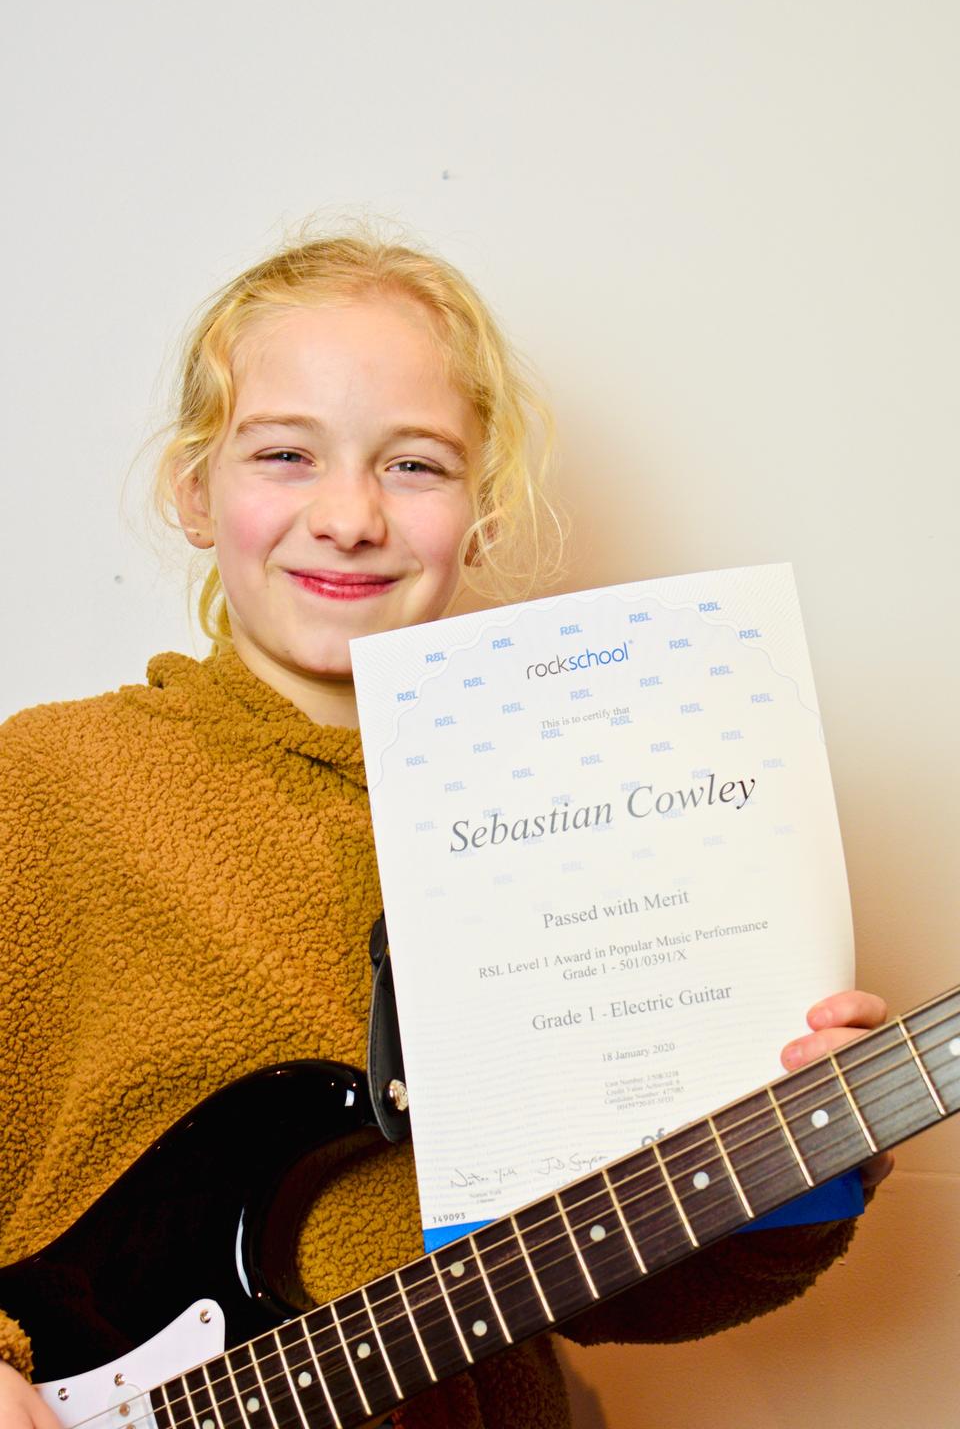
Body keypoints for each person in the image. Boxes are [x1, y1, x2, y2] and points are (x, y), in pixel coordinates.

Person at [0, 232, 891, 1429]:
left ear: (485, 513)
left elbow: (619, 1291)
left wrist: (795, 1162)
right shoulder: (44, 788)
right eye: (285, 453)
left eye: (414, 465)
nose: (349, 516)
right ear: (193, 490)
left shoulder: (583, 814)